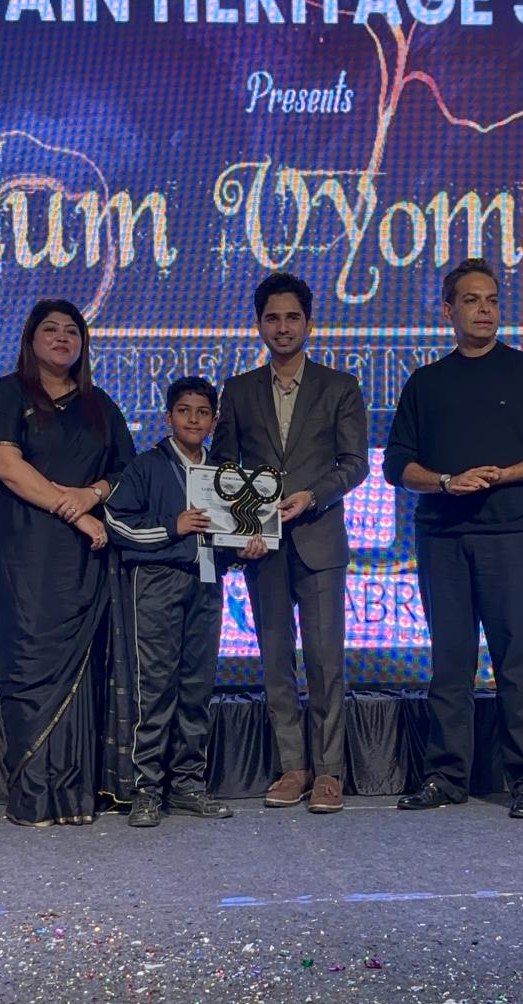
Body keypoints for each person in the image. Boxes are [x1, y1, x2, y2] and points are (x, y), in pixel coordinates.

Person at [383, 258, 523, 818]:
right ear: (448, 311)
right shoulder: (426, 382)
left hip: (511, 537)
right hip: (442, 539)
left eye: (492, 300)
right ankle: (446, 777)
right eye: (471, 300)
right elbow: (398, 465)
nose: (484, 310)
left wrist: (506, 473)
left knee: (516, 661)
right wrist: (447, 482)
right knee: (450, 663)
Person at [211, 272, 369, 814]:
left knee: (326, 662)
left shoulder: (340, 386)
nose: (283, 327)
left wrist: (312, 496)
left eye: (292, 318)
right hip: (262, 547)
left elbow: (355, 464)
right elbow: (224, 469)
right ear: (259, 325)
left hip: (319, 541)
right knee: (275, 661)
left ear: (309, 324)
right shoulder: (237, 390)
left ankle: (328, 772)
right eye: (272, 318)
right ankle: (292, 768)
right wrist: (241, 531)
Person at [0, 298, 136, 827]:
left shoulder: (99, 405)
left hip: (84, 557)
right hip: (23, 552)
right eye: (51, 329)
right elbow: (8, 466)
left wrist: (92, 495)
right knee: (28, 662)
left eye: (72, 331)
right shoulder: (8, 393)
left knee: (84, 670)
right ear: (31, 338)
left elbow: (126, 472)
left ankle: (74, 796)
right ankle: (33, 797)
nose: (63, 337)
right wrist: (74, 511)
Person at [104, 376, 267, 828]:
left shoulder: (224, 474)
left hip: (207, 583)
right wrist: (171, 527)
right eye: (184, 411)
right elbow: (117, 522)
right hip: (157, 582)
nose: (193, 419)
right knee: (155, 688)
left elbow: (232, 532)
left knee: (196, 688)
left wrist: (247, 547)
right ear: (169, 417)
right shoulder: (147, 466)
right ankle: (146, 790)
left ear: (214, 421)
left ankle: (188, 786)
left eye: (202, 412)